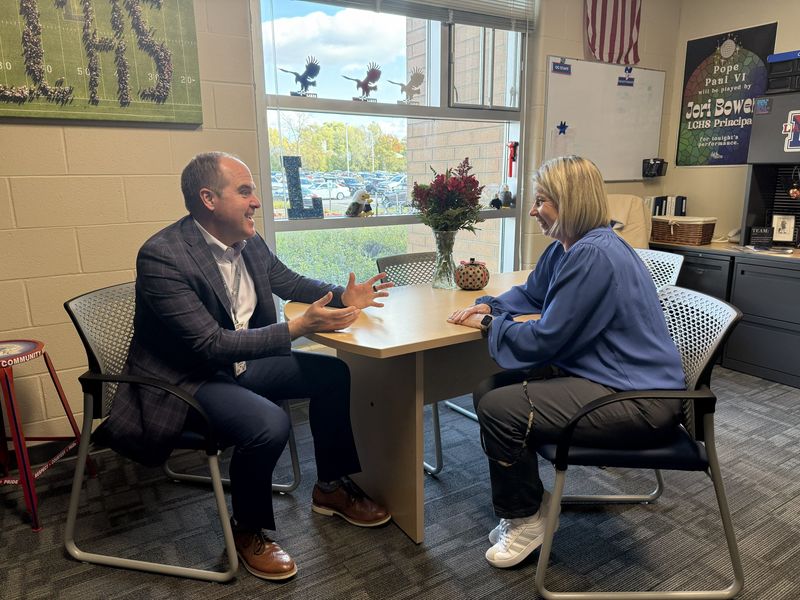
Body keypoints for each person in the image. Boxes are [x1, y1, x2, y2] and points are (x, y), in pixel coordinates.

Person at [93, 151, 394, 581]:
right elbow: (210, 345)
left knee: (332, 375)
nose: (257, 202)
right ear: (208, 199)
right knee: (268, 424)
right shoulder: (162, 257)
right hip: (188, 378)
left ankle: (329, 488)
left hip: (236, 365)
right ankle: (247, 529)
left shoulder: (249, 241)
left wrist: (345, 297)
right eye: (245, 191)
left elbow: (290, 282)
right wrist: (297, 328)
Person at [447, 155, 685, 569]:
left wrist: (491, 324)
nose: (535, 210)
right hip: (611, 377)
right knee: (490, 389)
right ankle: (532, 502)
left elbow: (547, 337)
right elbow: (532, 294)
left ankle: (525, 520)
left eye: (543, 201)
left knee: (499, 409)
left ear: (570, 201)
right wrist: (490, 303)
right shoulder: (569, 247)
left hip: (639, 399)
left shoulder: (593, 254)